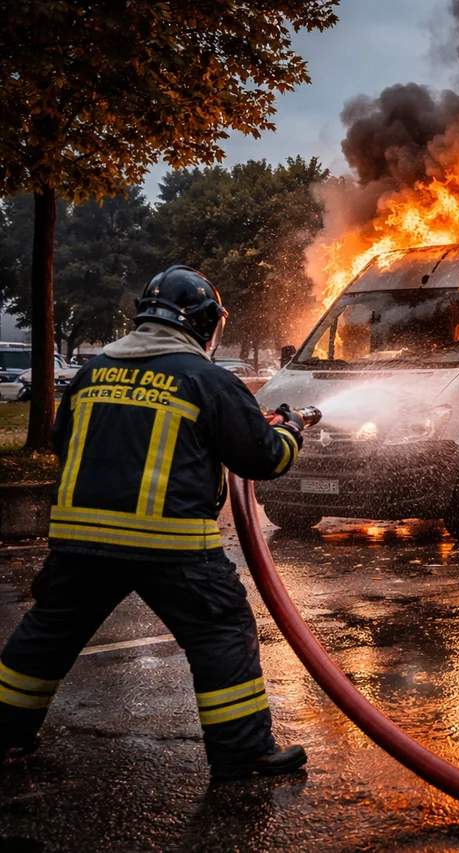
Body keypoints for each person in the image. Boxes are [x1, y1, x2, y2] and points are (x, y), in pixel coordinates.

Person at [0, 266, 315, 780]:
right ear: (205, 322)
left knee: (46, 636)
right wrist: (294, 429)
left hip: (79, 542)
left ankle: (5, 733)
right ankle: (241, 755)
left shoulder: (92, 371)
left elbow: (64, 440)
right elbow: (264, 460)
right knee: (221, 630)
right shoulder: (208, 379)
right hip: (168, 545)